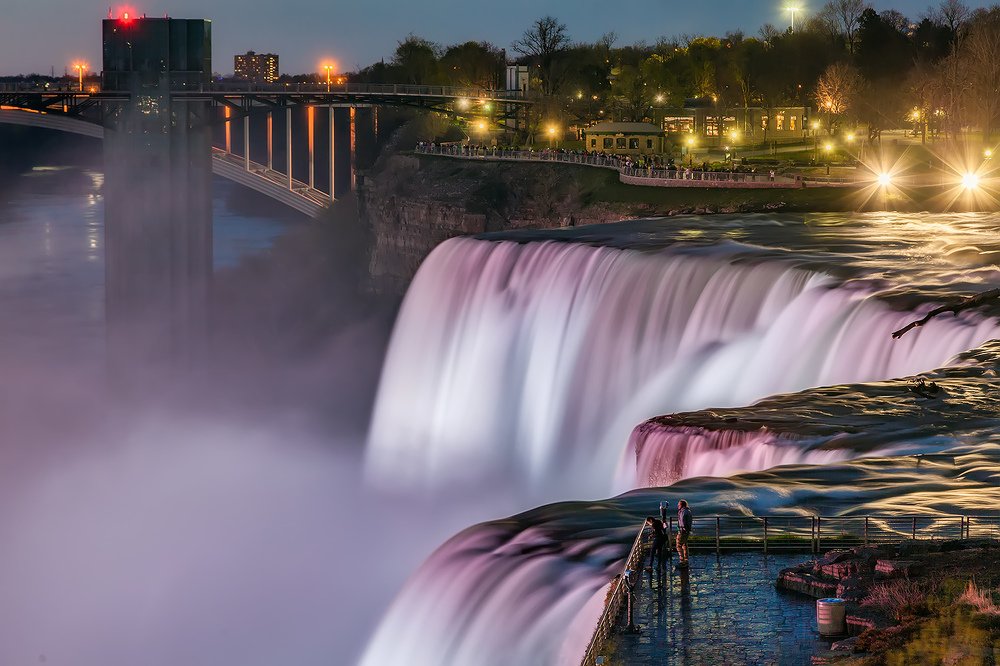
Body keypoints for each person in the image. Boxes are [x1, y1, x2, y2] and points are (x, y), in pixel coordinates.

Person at [676, 500, 692, 567]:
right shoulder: (688, 511)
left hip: (682, 531)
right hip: (687, 531)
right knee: (684, 545)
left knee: (679, 545)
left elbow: (682, 522)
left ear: (681, 505)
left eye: (679, 505)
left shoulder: (682, 512)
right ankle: (686, 560)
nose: (677, 506)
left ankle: (682, 561)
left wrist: (682, 529)